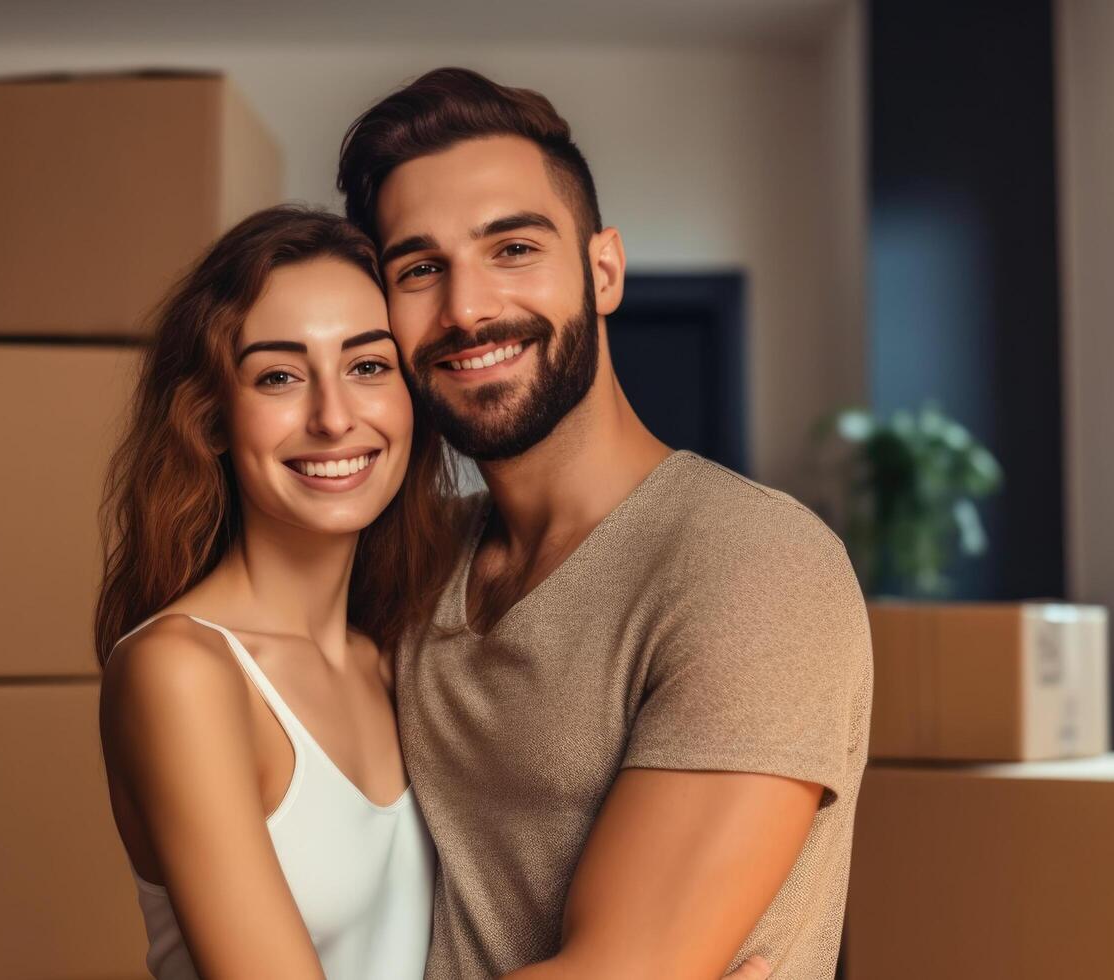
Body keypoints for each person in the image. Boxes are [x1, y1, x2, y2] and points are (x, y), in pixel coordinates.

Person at [336, 68, 874, 979]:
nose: (466, 307)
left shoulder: (752, 566)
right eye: (420, 269)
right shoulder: (416, 566)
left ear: (603, 269)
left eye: (512, 248)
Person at [94, 205, 458, 979]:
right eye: (279, 377)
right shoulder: (183, 671)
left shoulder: (399, 656)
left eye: (367, 366)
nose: (333, 418)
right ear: (213, 419)